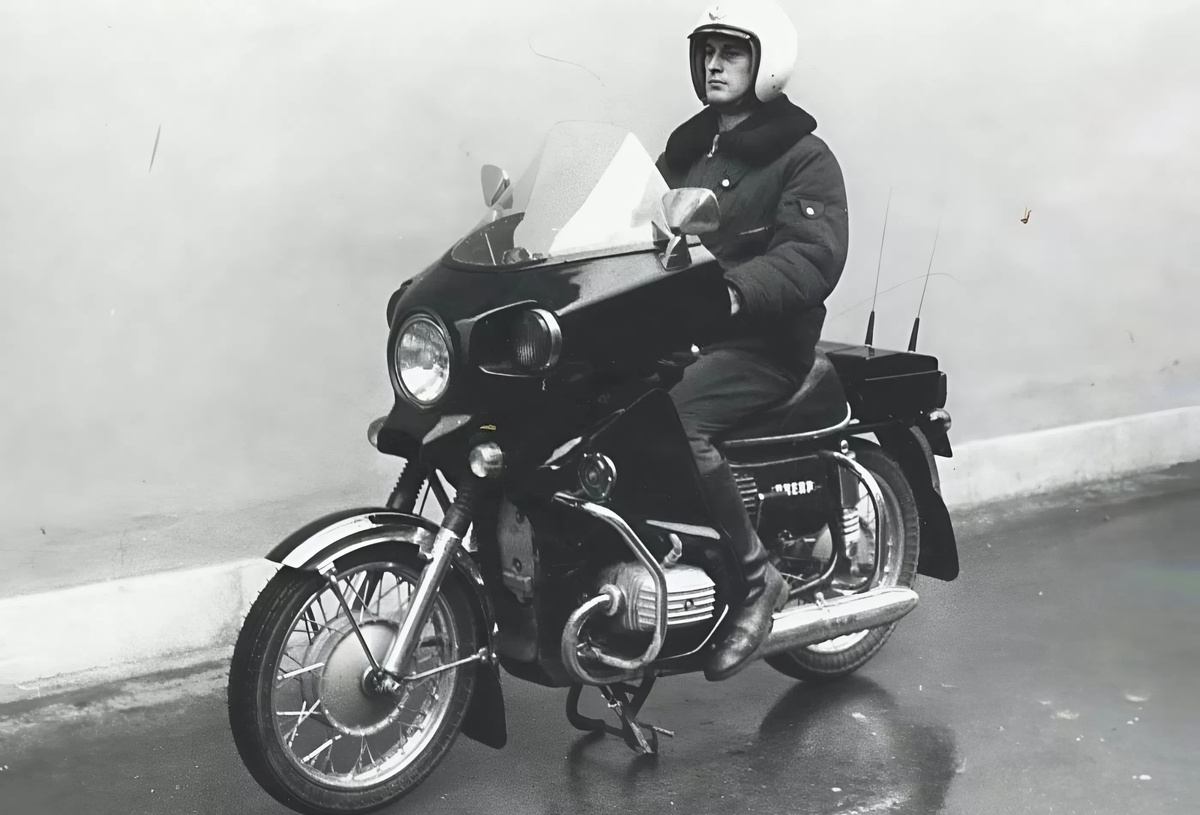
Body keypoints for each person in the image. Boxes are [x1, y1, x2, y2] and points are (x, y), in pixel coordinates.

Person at [656, 0, 850, 681]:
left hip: (760, 347)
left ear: (767, 62)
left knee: (674, 419)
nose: (714, 64)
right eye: (707, 51)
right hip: (683, 338)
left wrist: (735, 291)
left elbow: (811, 254)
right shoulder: (686, 150)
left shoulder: (804, 157)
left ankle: (754, 578)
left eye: (732, 52)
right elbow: (630, 226)